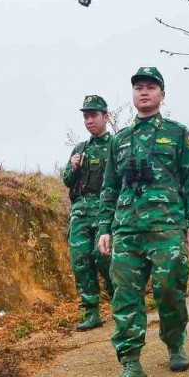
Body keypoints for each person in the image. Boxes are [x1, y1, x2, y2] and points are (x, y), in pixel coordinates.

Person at [97, 67, 189, 377]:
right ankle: (131, 363)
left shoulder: (176, 133)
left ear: (162, 94)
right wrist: (105, 227)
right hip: (127, 230)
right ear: (133, 95)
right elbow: (109, 187)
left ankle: (175, 344)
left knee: (169, 290)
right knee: (125, 297)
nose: (143, 93)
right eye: (138, 88)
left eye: (150, 87)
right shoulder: (119, 140)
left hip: (167, 227)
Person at [62, 94, 115, 330]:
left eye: (93, 115)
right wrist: (73, 166)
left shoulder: (116, 145)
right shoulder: (80, 149)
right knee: (80, 261)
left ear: (106, 116)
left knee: (103, 258)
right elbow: (67, 180)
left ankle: (121, 303)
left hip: (106, 211)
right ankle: (91, 312)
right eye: (86, 116)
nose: (89, 120)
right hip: (80, 213)